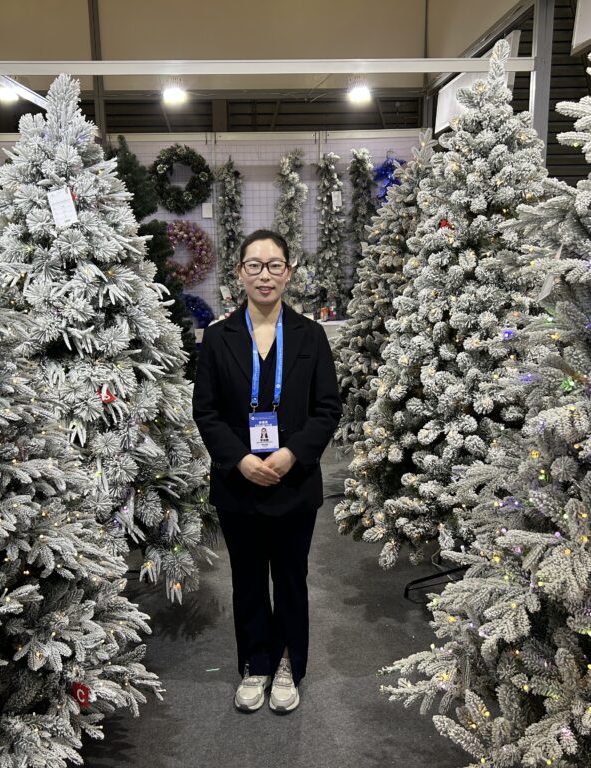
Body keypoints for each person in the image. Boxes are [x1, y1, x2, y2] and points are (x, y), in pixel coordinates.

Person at [192, 229, 341, 714]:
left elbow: (327, 409)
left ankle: (288, 665)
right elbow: (206, 411)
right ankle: (256, 664)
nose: (264, 274)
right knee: (249, 579)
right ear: (238, 274)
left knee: (292, 579)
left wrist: (292, 453)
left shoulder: (310, 336)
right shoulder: (217, 338)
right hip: (239, 483)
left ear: (288, 273)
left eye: (274, 264)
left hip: (294, 482)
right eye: (254, 265)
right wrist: (239, 458)